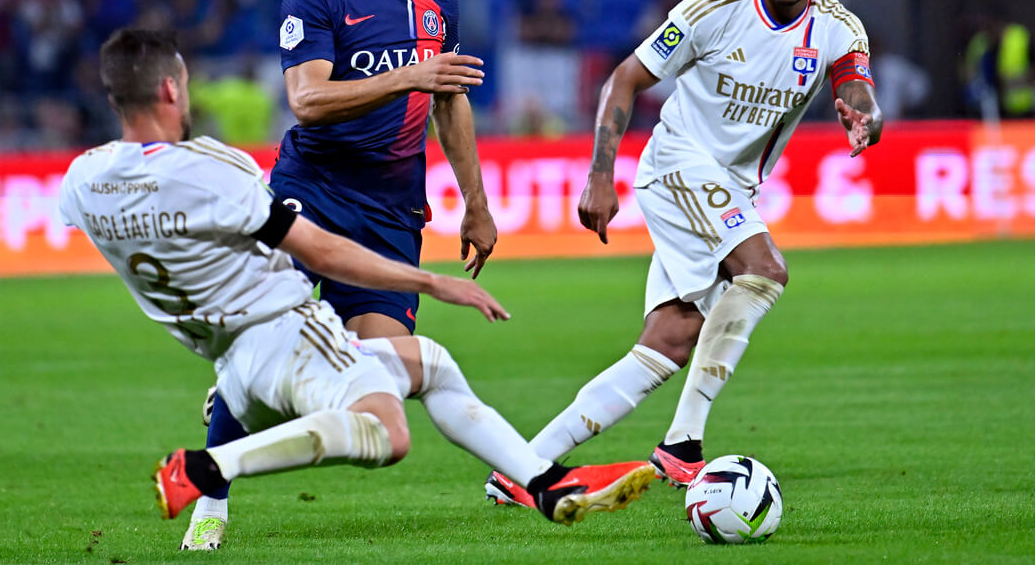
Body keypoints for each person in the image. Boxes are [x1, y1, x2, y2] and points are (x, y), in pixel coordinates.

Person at [58, 28, 654, 547]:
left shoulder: (83, 182)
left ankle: (544, 485)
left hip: (231, 362)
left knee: (432, 365)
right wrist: (431, 282)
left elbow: (142, 209)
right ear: (170, 90)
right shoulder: (214, 169)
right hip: (283, 334)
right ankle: (210, 467)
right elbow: (318, 250)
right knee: (388, 433)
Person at [483, 0, 882, 507]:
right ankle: (684, 447)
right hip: (677, 169)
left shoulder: (836, 28)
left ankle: (521, 467)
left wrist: (864, 116)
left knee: (669, 339)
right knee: (764, 270)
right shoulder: (712, 12)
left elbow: (856, 85)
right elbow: (627, 77)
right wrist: (599, 174)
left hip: (731, 189)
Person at [195, 0, 499, 546]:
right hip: (311, 199)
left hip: (392, 214)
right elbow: (306, 100)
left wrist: (475, 200)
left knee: (378, 383)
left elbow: (448, 99)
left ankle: (246, 403)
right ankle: (211, 508)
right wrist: (408, 75)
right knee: (267, 345)